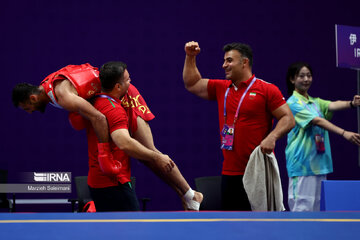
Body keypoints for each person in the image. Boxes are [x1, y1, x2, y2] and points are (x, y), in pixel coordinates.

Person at [182, 41, 295, 211]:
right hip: (229, 173)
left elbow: (288, 118)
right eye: (224, 61)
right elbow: (192, 84)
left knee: (261, 227)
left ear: (244, 62)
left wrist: (272, 136)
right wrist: (190, 57)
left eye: (229, 61)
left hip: (256, 172)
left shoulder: (266, 89)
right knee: (232, 226)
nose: (224, 65)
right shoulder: (222, 88)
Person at [88, 61, 202, 211]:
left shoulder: (107, 98)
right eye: (129, 79)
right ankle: (186, 195)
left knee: (150, 152)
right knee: (148, 156)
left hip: (124, 98)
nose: (131, 80)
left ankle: (189, 194)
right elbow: (124, 142)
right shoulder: (98, 98)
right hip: (108, 182)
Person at [285, 61, 360, 211]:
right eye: (302, 76)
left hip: (319, 164)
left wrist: (352, 103)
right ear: (292, 79)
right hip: (302, 164)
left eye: (309, 76)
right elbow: (317, 121)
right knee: (302, 208)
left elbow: (332, 105)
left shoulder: (314, 102)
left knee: (317, 209)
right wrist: (344, 133)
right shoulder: (292, 103)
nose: (306, 79)